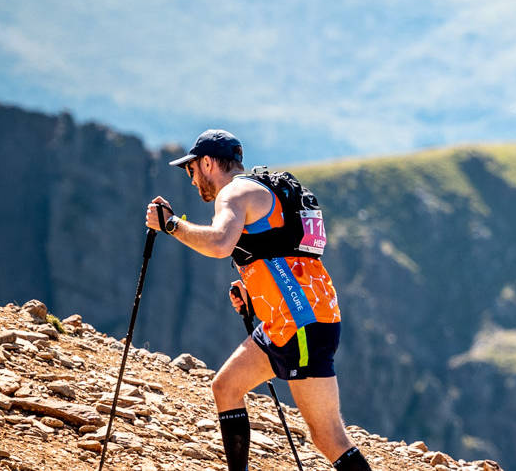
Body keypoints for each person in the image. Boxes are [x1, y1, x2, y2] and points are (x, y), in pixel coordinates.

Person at [144, 129, 370, 471]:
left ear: (207, 163)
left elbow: (220, 244)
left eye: (190, 170)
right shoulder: (260, 191)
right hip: (295, 318)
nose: (191, 180)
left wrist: (171, 225)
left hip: (300, 324)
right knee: (226, 387)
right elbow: (281, 250)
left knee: (327, 437)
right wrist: (254, 293)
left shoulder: (233, 194)